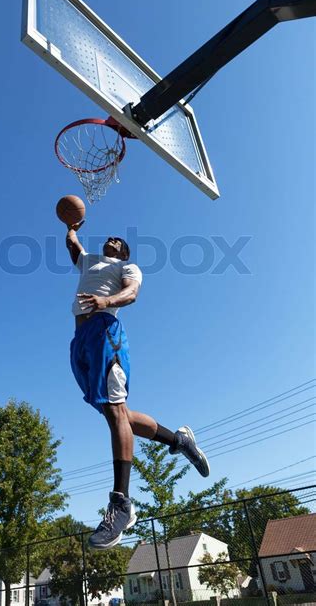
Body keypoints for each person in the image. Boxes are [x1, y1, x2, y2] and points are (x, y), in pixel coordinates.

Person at [65, 220, 210, 550]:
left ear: (124, 251)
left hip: (106, 332)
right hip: (80, 340)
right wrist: (69, 227)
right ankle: (179, 440)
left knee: (116, 414)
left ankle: (121, 504)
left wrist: (107, 302)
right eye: (110, 237)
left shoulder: (127, 267)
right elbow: (74, 247)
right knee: (118, 415)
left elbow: (131, 293)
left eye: (119, 240)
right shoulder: (89, 261)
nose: (113, 239)